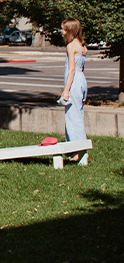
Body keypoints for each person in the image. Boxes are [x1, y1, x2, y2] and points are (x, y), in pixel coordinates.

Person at [57, 19, 89, 163]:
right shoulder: (82, 46)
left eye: (63, 29)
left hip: (74, 82)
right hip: (82, 81)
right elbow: (81, 68)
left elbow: (72, 70)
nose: (61, 32)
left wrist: (66, 90)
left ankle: (80, 151)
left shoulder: (71, 46)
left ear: (69, 30)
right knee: (77, 114)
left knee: (72, 116)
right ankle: (75, 151)